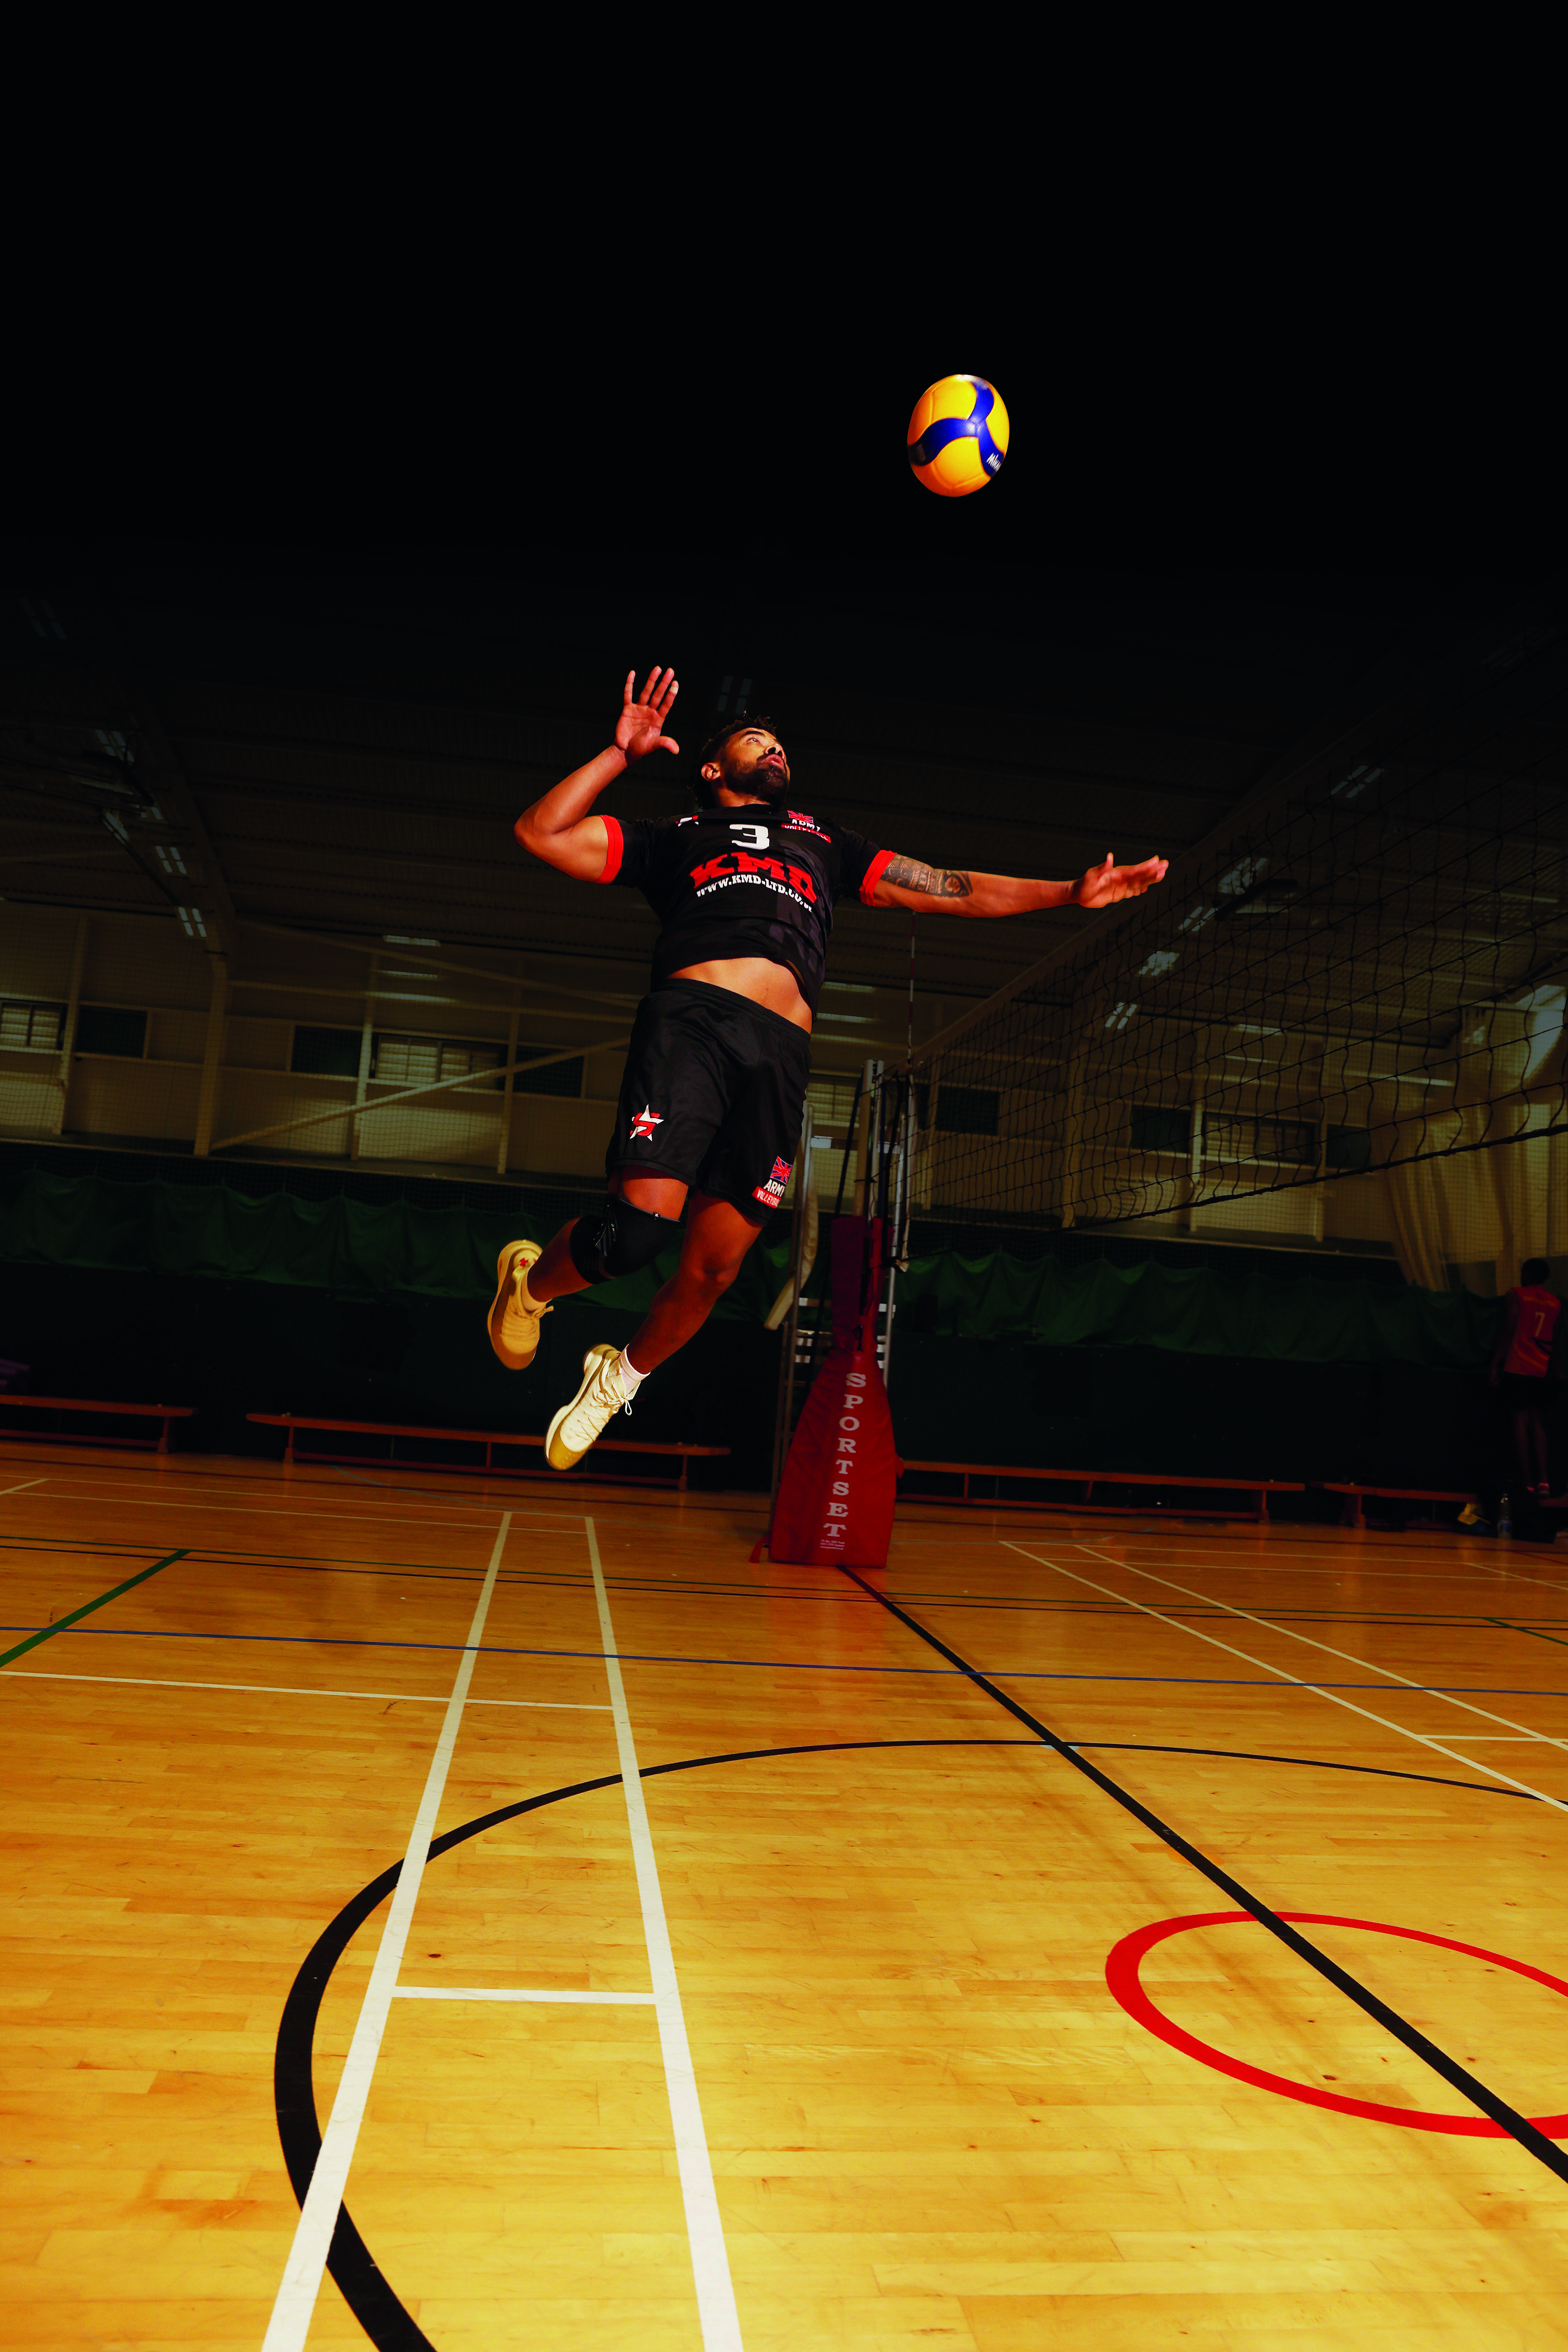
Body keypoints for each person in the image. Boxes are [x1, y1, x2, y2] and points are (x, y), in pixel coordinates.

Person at [488, 665, 1169, 1470]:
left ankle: (616, 1376)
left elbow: (949, 889)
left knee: (712, 1269)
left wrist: (1067, 892)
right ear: (712, 769)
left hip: (780, 1056)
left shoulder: (822, 842)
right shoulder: (672, 836)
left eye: (779, 743)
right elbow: (542, 834)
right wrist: (617, 752)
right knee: (634, 1237)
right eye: (755, 740)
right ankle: (530, 1285)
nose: (773, 748)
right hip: (694, 1027)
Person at [1490, 1256, 1562, 1498]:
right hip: (1542, 1371)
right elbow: (1556, 1339)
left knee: (1519, 1423)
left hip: (1518, 1368)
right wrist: (1555, 1371)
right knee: (1537, 1424)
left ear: (1528, 1274)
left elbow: (1510, 1328)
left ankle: (1527, 1482)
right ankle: (1544, 1481)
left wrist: (1495, 1363)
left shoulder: (1517, 1295)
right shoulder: (1555, 1303)